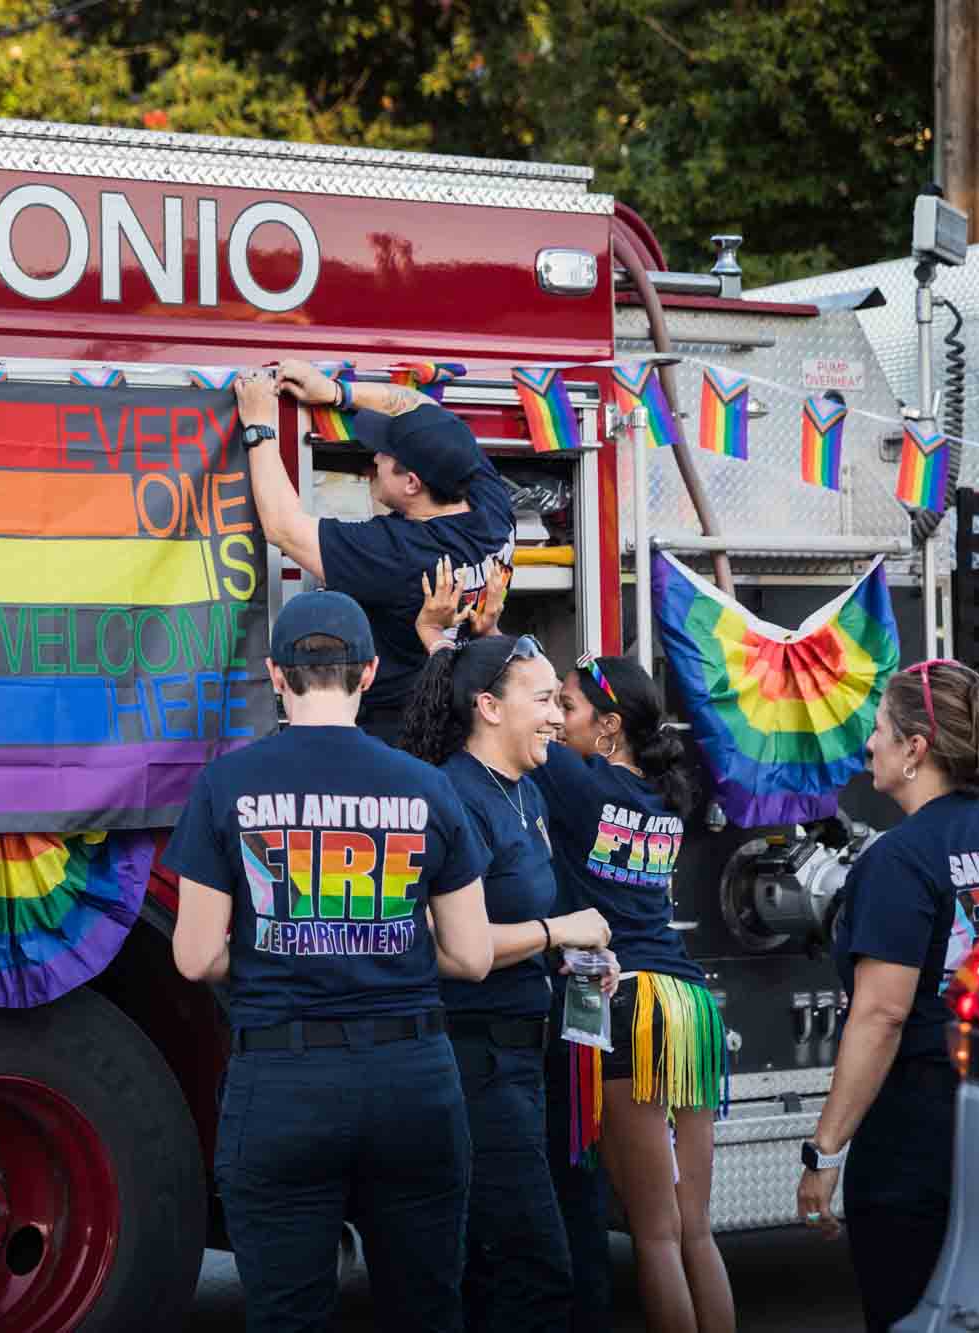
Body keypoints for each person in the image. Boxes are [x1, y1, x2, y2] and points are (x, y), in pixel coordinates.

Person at [165, 588, 495, 1333]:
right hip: (411, 1081)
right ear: (370, 672)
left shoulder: (226, 785)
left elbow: (193, 955)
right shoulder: (428, 787)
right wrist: (380, 942)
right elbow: (473, 954)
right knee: (426, 1312)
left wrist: (279, 943)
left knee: (289, 1316)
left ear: (276, 674)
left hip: (281, 1084)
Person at [795, 660, 979, 1332]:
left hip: (917, 1143)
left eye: (880, 729)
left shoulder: (898, 859)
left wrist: (825, 1151)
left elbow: (881, 1015)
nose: (869, 745)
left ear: (915, 750)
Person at [399, 626, 618, 1333]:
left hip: (528, 1054)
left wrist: (578, 956)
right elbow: (442, 943)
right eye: (546, 699)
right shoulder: (455, 795)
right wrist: (561, 930)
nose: (559, 715)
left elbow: (526, 912)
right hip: (475, 1060)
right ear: (490, 708)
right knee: (533, 1268)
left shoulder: (526, 790)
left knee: (505, 1268)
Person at [533, 651, 733, 1333]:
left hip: (625, 1001)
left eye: (568, 705)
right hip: (689, 1002)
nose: (556, 719)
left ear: (610, 725)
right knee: (695, 1229)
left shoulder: (583, 786)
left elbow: (507, 719)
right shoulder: (667, 797)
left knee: (653, 1233)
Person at [230, 365, 516, 742]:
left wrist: (258, 423)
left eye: (385, 455)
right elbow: (423, 408)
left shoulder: (402, 553)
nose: (374, 461)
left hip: (402, 730)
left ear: (412, 483)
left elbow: (283, 527)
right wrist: (335, 393)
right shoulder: (489, 503)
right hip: (457, 717)